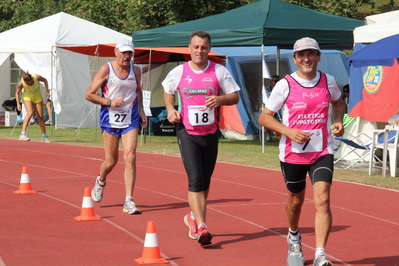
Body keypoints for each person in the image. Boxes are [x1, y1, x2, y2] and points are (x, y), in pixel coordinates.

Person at [258, 37, 346, 266]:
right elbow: (264, 117)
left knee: (323, 199)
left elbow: (338, 101)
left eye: (311, 54)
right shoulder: (285, 84)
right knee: (296, 201)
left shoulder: (328, 81)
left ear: (318, 57)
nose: (306, 59)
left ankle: (320, 254)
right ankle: (294, 237)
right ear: (295, 59)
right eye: (301, 55)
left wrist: (338, 120)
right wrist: (288, 131)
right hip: (293, 153)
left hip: (322, 151)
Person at [162, 30, 240, 246]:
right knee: (195, 179)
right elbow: (167, 91)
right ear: (189, 48)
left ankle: (192, 216)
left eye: (203, 47)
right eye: (196, 47)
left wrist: (220, 99)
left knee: (205, 181)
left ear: (208, 49)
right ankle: (202, 225)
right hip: (187, 133)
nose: (199, 51)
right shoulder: (179, 72)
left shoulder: (219, 71)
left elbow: (235, 96)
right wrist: (170, 109)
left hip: (210, 133)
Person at [85, 39, 147, 215]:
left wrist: (142, 110)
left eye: (130, 53)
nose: (127, 57)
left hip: (130, 118)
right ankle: (101, 180)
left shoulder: (136, 70)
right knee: (111, 160)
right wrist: (109, 102)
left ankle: (129, 200)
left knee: (130, 156)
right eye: (124, 53)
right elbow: (88, 94)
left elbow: (138, 90)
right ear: (116, 52)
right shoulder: (106, 69)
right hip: (110, 119)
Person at [15, 72, 50, 142]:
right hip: (27, 97)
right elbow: (17, 93)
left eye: (29, 83)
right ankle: (23, 134)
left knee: (40, 116)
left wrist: (47, 90)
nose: (28, 84)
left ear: (31, 79)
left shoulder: (37, 77)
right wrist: (18, 104)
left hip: (37, 96)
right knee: (30, 113)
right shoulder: (22, 83)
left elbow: (45, 80)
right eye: (26, 83)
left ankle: (44, 136)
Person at [262, 74, 281, 141]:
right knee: (265, 118)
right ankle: (268, 135)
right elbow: (262, 101)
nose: (277, 83)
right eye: (275, 81)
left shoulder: (281, 90)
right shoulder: (266, 91)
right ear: (271, 82)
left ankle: (278, 135)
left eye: (278, 81)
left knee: (280, 120)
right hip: (269, 108)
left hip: (279, 108)